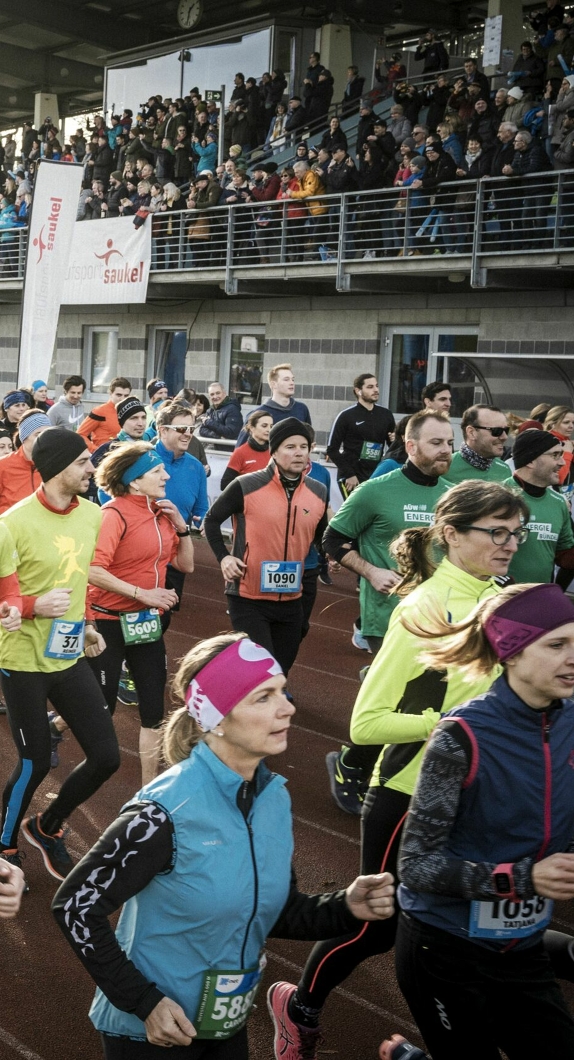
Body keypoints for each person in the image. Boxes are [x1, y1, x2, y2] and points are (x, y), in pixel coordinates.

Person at [53, 631, 394, 1059]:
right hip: (153, 1034)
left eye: (283, 692)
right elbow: (75, 906)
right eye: (263, 698)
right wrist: (144, 1002)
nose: (287, 708)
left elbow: (275, 911)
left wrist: (346, 907)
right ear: (214, 717)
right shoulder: (163, 812)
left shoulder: (273, 798)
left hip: (224, 1028)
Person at [278, 482, 529, 1057]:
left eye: (515, 532)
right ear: (452, 535)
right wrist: (452, 723)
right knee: (379, 925)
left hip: (479, 798)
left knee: (481, 921)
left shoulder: (497, 597)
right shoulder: (424, 609)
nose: (510, 543)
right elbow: (365, 724)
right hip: (409, 793)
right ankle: (299, 1008)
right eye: (496, 532)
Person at [396, 582, 574, 1060]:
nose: (573, 657)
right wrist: (524, 878)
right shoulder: (461, 737)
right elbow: (416, 867)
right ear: (511, 652)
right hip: (445, 950)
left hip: (522, 947)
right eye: (557, 645)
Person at [0, 429, 120, 882]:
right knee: (32, 764)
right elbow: (4, 599)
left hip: (68, 655)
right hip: (22, 661)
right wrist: (31, 607)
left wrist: (87, 624)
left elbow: (79, 578)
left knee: (107, 756)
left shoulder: (91, 516)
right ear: (57, 469)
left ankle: (47, 827)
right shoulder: (12, 524)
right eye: (84, 462)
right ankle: (5, 846)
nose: (92, 469)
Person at [322, 410, 453, 814]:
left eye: (450, 443)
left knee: (424, 701)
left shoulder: (454, 495)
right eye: (436, 443)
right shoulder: (376, 491)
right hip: (387, 614)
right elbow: (333, 540)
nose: (446, 450)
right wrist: (371, 570)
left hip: (440, 617)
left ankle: (391, 774)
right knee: (399, 703)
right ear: (411, 446)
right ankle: (351, 766)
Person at [88, 443, 194, 785]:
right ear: (134, 481)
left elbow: (186, 564)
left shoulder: (162, 512)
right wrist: (143, 593)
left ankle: (149, 789)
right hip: (107, 622)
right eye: (156, 471)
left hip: (146, 624)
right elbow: (93, 570)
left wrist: (181, 526)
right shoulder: (113, 514)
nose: (165, 475)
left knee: (153, 711)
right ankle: (59, 728)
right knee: (102, 708)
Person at [204, 419, 328, 676]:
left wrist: (330, 555)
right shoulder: (246, 485)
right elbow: (212, 521)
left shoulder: (319, 491)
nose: (298, 452)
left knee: (280, 670)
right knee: (261, 671)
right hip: (248, 596)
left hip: (293, 598)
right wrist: (224, 558)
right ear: (273, 451)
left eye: (303, 446)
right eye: (290, 446)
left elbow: (320, 535)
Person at [503, 428, 574, 583]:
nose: (562, 462)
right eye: (555, 455)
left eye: (561, 455)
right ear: (530, 460)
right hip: (499, 601)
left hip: (540, 600)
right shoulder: (496, 496)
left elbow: (565, 556)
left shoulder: (559, 502)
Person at [326, 373, 395, 496]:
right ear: (358, 391)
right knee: (356, 514)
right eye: (370, 387)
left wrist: (395, 441)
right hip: (352, 477)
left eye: (376, 386)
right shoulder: (346, 416)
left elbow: (393, 448)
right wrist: (349, 474)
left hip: (375, 475)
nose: (376, 390)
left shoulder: (386, 414)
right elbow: (332, 450)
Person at [235, 364, 312, 447]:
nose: (291, 383)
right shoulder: (257, 414)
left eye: (292, 379)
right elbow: (240, 449)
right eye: (286, 380)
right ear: (273, 384)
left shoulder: (302, 409)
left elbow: (308, 439)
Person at [0, 409, 50, 513]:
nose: (44, 439)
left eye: (47, 434)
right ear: (24, 437)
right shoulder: (3, 465)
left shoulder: (54, 465)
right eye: (38, 434)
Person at [447, 404, 511, 484]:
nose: (504, 437)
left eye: (506, 430)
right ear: (471, 432)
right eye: (497, 431)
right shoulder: (445, 468)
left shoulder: (504, 470)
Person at [220, 410, 272, 490]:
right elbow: (225, 484)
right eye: (264, 426)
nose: (269, 430)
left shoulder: (274, 452)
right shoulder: (240, 452)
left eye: (271, 426)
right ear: (252, 428)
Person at [77, 378, 132, 452]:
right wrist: (96, 451)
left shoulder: (131, 412)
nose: (122, 399)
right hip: (103, 459)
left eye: (126, 396)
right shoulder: (99, 411)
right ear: (110, 393)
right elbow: (80, 434)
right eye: (118, 395)